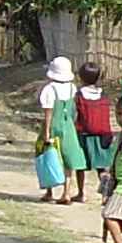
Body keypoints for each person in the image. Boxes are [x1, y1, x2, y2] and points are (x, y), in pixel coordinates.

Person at [37, 56, 89, 203]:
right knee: (68, 158)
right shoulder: (72, 88)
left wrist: (46, 131)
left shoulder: (49, 89)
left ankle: (49, 191)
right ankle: (66, 193)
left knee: (50, 156)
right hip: (68, 125)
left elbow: (48, 111)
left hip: (54, 124)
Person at [74, 60, 116, 172]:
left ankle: (81, 190)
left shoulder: (79, 95)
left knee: (80, 166)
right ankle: (105, 186)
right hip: (102, 136)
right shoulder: (103, 95)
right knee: (101, 168)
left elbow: (75, 114)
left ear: (81, 78)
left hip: (83, 135)